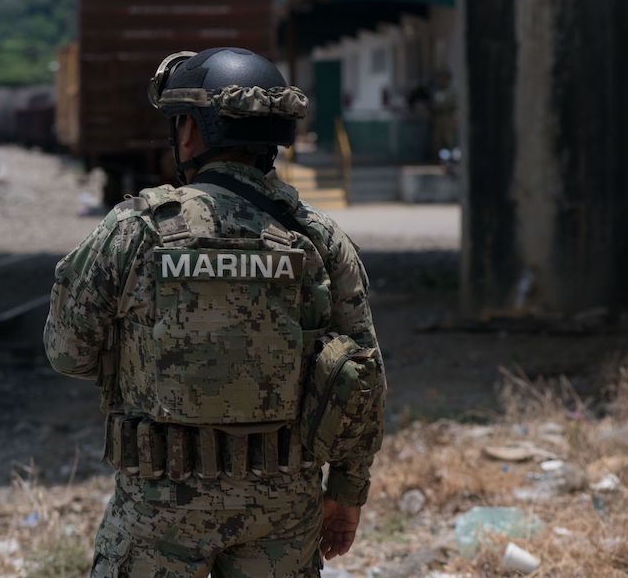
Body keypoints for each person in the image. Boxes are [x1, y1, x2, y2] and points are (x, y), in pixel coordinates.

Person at [44, 47, 386, 577]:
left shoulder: (136, 229)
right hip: (283, 507)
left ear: (190, 133)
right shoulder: (316, 238)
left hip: (160, 504)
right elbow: (363, 374)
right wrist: (347, 490)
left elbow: (68, 353)